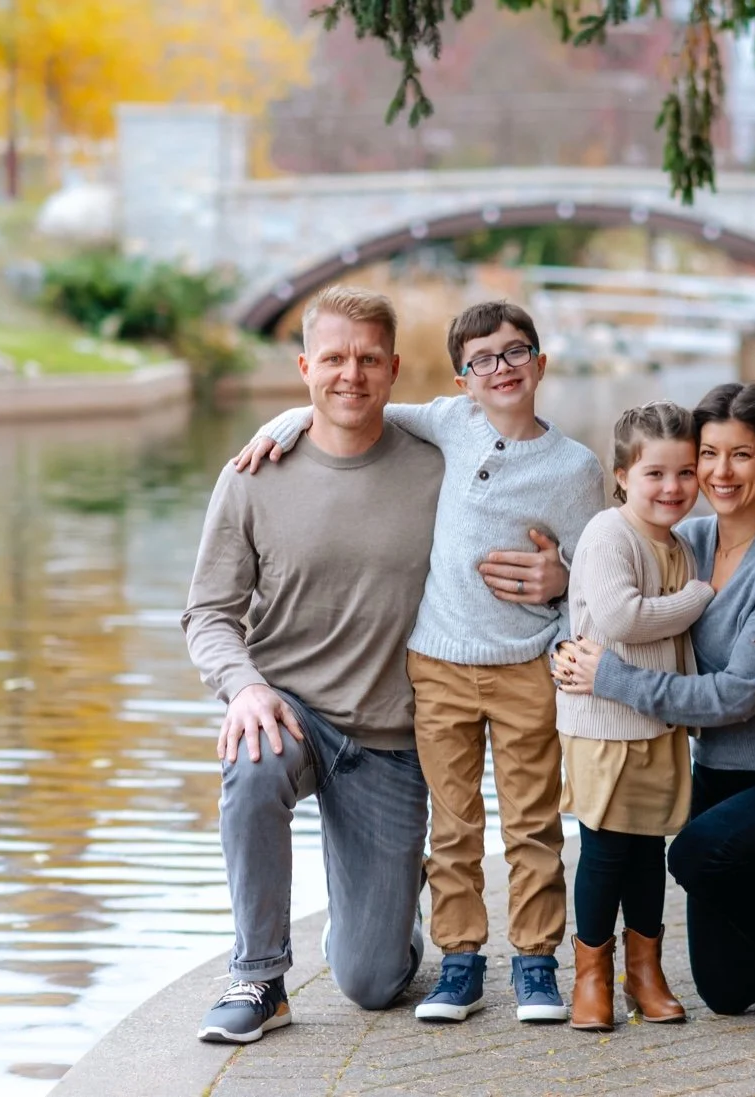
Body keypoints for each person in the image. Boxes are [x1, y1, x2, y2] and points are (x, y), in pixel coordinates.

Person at [234, 300, 605, 1024]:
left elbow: (595, 574)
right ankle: (460, 960)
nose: (500, 368)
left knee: (531, 821)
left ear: (541, 362)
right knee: (454, 821)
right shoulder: (449, 423)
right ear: (462, 379)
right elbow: (361, 407)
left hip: (526, 663)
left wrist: (562, 592)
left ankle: (535, 961)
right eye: (481, 359)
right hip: (435, 665)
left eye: (515, 352)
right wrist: (281, 422)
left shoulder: (576, 468)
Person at [555, 382, 755, 1027]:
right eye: (710, 455)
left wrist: (611, 679)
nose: (720, 473)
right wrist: (559, 597)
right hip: (722, 779)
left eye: (742, 455)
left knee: (694, 853)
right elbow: (615, 590)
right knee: (726, 993)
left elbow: (740, 694)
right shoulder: (686, 540)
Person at [182, 286, 447, 1043]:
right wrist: (245, 687)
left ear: (395, 369)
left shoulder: (440, 469)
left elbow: (523, 478)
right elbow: (208, 613)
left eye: (369, 359)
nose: (350, 376)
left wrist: (559, 574)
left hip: (392, 742)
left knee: (372, 983)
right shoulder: (254, 472)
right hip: (291, 710)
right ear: (304, 366)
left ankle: (386, 922)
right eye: (333, 358)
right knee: (251, 753)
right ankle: (259, 975)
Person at [556, 401, 711, 1032]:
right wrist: (700, 598)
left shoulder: (676, 543)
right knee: (605, 850)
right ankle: (590, 977)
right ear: (622, 475)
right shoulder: (608, 534)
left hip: (657, 722)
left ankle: (645, 974)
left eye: (683, 474)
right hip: (603, 723)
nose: (671, 488)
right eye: (654, 474)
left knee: (649, 852)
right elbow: (620, 620)